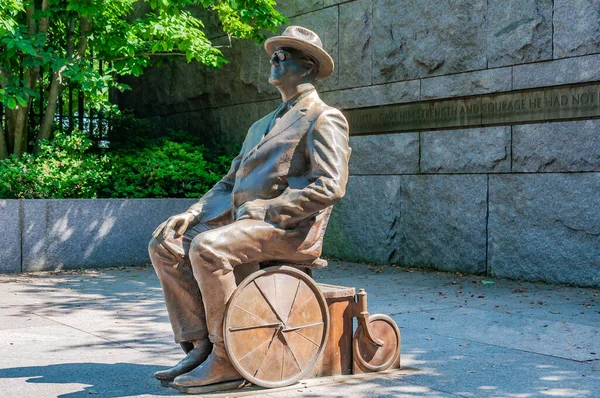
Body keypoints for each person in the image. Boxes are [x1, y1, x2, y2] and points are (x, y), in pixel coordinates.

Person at [149, 25, 351, 388]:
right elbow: (229, 183)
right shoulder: (260, 125)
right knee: (165, 243)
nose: (273, 61)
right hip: (243, 223)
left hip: (288, 229)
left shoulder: (324, 117)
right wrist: (192, 213)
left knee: (208, 248)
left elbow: (330, 186)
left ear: (307, 68)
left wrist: (268, 210)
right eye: (273, 55)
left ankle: (228, 358)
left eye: (283, 55)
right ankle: (201, 344)